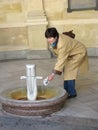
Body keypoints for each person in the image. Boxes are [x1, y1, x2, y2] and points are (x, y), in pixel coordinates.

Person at [44, 27, 89, 98]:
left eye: (50, 38)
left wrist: (52, 75)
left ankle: (71, 93)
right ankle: (66, 91)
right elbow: (60, 56)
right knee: (66, 70)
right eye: (47, 38)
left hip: (79, 53)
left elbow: (61, 59)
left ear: (55, 36)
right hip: (71, 53)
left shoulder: (62, 44)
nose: (48, 40)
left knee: (69, 71)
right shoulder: (56, 38)